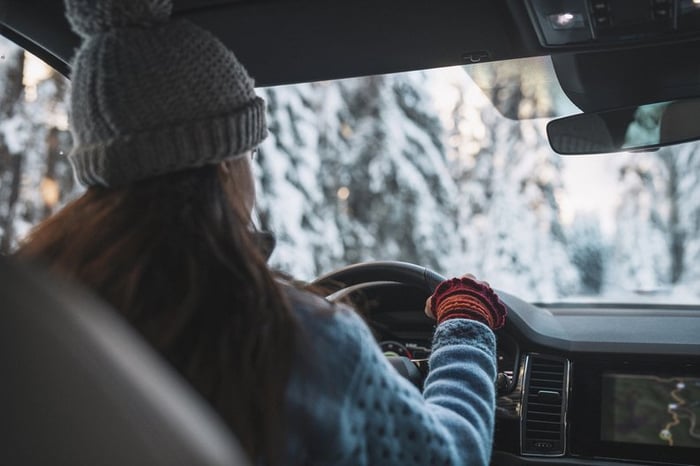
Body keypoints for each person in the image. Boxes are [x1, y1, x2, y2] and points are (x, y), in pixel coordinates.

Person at [18, 0, 508, 465]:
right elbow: (452, 454)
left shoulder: (40, 316)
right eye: (249, 153)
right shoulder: (293, 338)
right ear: (225, 163)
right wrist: (465, 325)